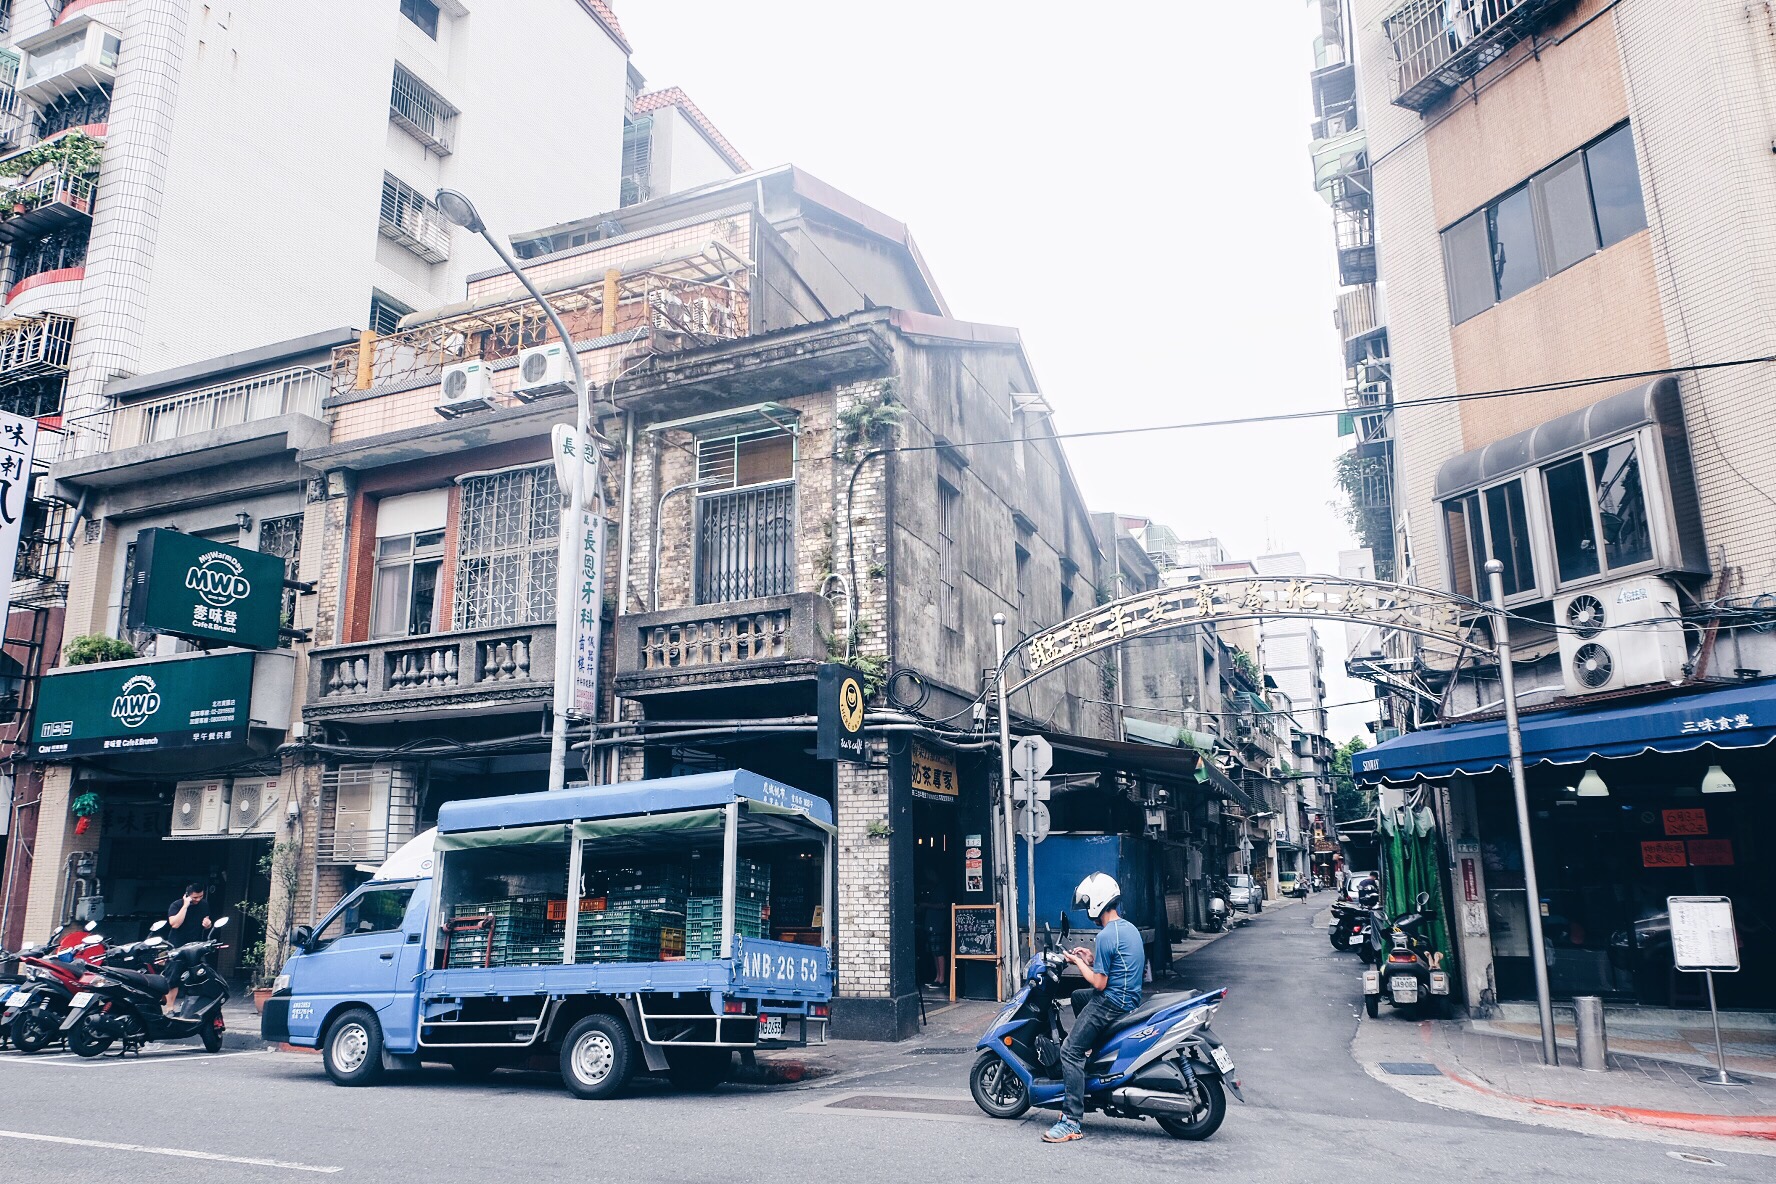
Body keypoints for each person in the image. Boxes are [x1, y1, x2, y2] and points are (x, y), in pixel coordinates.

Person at [1044, 873, 1144, 1144]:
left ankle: (1071, 1121)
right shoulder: (1127, 928)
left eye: (1088, 903)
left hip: (1112, 1001)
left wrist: (1078, 964)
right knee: (1078, 997)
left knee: (1070, 1051)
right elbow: (1119, 965)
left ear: (1098, 902)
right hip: (1128, 997)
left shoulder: (1106, 935)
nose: (1088, 910)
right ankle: (1096, 1054)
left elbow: (1100, 983)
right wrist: (1090, 958)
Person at [164, 883, 212, 1013]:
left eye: (200, 896)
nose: (198, 899)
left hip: (195, 946)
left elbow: (207, 921)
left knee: (198, 975)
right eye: (195, 897)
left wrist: (208, 924)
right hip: (177, 946)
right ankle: (169, 1008)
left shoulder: (204, 904)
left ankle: (194, 1007)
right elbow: (175, 924)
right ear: (187, 895)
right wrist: (185, 905)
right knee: (173, 977)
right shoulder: (176, 905)